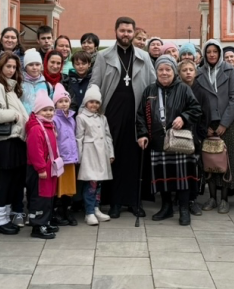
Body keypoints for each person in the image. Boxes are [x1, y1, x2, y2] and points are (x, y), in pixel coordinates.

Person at [90, 17, 156, 218]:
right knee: (114, 157)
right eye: (122, 30)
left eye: (129, 31)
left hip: (137, 112)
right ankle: (115, 202)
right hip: (112, 113)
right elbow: (95, 83)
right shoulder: (103, 56)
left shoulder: (144, 57)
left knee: (136, 158)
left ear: (134, 33)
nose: (126, 34)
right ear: (116, 31)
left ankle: (135, 201)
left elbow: (153, 85)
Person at [136, 56, 203, 226]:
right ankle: (166, 207)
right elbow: (141, 115)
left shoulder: (183, 89)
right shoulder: (149, 90)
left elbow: (196, 109)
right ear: (156, 71)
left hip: (179, 141)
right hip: (158, 141)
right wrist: (142, 134)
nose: (164, 73)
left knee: (182, 178)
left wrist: (184, 117)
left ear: (174, 71)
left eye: (168, 69)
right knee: (162, 177)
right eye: (161, 69)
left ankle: (183, 210)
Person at [0, 52, 28, 234]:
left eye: (14, 67)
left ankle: (6, 215)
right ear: (0, 68)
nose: (11, 70)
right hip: (5, 142)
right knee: (5, 181)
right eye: (8, 66)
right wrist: (15, 115)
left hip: (15, 141)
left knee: (14, 181)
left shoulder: (11, 88)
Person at [196, 40, 234, 213]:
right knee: (209, 160)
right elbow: (198, 100)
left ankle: (224, 199)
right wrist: (205, 125)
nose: (212, 54)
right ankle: (212, 197)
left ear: (220, 53)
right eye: (209, 52)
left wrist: (224, 123)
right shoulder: (199, 73)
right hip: (208, 123)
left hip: (226, 123)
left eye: (215, 51)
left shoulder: (230, 71)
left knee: (226, 160)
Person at [178, 59, 214, 216]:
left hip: (195, 137)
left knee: (194, 169)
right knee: (178, 169)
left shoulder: (202, 92)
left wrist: (200, 134)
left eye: (190, 70)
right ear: (179, 73)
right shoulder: (176, 89)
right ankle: (178, 199)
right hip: (178, 136)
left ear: (196, 72)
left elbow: (206, 115)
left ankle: (192, 200)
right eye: (184, 70)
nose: (187, 72)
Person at [76, 85, 114, 225]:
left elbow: (108, 136)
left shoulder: (102, 118)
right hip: (89, 155)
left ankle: (96, 207)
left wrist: (110, 153)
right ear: (86, 102)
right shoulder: (81, 118)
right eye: (91, 101)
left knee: (98, 183)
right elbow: (79, 138)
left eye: (97, 102)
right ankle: (89, 211)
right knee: (91, 183)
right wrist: (79, 157)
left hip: (101, 155)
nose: (94, 104)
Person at [26, 91, 61, 239]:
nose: (48, 113)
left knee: (48, 197)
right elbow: (35, 151)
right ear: (37, 111)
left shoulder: (48, 126)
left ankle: (45, 221)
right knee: (39, 197)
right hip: (40, 169)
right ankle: (37, 225)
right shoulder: (36, 128)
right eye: (44, 110)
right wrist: (40, 168)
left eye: (51, 110)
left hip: (49, 168)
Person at [52, 85, 80, 226]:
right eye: (60, 101)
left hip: (71, 158)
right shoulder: (55, 119)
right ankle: (58, 212)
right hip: (61, 159)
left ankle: (68, 210)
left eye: (66, 101)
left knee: (69, 187)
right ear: (55, 103)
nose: (64, 104)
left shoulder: (72, 117)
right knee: (60, 187)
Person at [20, 49, 49, 113]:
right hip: (25, 120)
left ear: (41, 66)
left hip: (41, 121)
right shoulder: (19, 84)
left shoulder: (47, 85)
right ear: (25, 67)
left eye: (37, 64)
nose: (34, 67)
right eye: (30, 65)